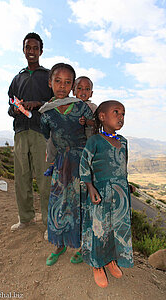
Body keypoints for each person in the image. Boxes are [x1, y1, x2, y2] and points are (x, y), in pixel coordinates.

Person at [40, 63, 93, 266]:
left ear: (72, 86)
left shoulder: (81, 107)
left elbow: (91, 131)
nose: (62, 86)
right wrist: (52, 157)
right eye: (58, 81)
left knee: (81, 204)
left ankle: (80, 246)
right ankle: (59, 244)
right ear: (50, 83)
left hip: (81, 162)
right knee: (58, 203)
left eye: (67, 82)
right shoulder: (46, 112)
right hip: (61, 164)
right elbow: (48, 135)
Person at [79, 100, 134, 288]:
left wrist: (127, 184)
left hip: (120, 196)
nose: (121, 117)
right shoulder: (94, 141)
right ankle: (97, 265)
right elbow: (84, 165)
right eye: (116, 112)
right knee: (99, 229)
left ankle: (111, 259)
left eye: (123, 113)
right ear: (102, 117)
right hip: (100, 193)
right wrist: (90, 187)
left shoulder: (124, 141)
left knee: (116, 228)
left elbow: (122, 167)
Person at [8, 32, 53, 231]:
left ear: (41, 51)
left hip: (41, 133)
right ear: (23, 50)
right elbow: (10, 106)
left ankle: (49, 222)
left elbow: (56, 103)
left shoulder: (49, 76)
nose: (31, 51)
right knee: (21, 177)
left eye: (35, 48)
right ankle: (25, 219)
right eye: (28, 47)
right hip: (20, 132)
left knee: (45, 178)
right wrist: (15, 109)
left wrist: (39, 104)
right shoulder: (17, 78)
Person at [43, 75, 97, 176]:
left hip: (85, 137)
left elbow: (97, 123)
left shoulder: (92, 107)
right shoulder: (69, 103)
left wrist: (87, 121)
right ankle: (52, 163)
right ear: (74, 91)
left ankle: (89, 163)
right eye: (79, 88)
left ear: (91, 93)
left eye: (87, 89)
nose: (83, 91)